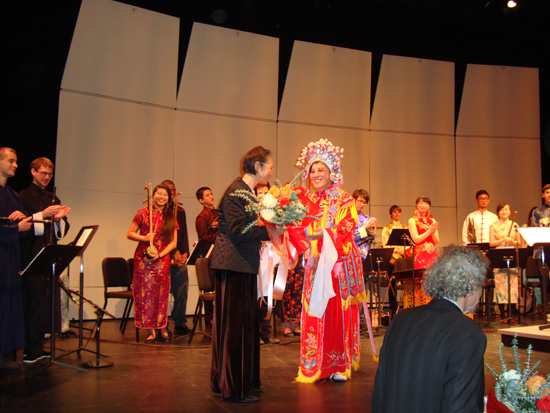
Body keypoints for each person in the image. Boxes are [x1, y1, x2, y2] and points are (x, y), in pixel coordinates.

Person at [372, 245, 489, 413]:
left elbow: (379, 395)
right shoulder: (468, 333)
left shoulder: (401, 320)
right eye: (481, 285)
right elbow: (459, 407)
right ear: (471, 285)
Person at [289, 138, 366, 383]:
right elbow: (299, 230)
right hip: (315, 263)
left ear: (332, 172)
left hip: (338, 263)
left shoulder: (344, 199)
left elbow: (346, 227)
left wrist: (320, 233)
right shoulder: (308, 201)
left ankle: (339, 363)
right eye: (312, 170)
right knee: (315, 309)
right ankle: (315, 362)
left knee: (336, 313)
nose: (316, 174)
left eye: (321, 169)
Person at [210, 146, 273, 403]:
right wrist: (271, 232)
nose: (271, 172)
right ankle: (234, 387)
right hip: (233, 264)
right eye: (269, 167)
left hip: (241, 264)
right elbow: (238, 232)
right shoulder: (237, 192)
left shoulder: (245, 191)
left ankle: (243, 381)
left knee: (245, 325)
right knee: (236, 328)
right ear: (257, 167)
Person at [19, 157, 71, 364]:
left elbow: (60, 232)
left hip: (49, 255)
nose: (47, 177)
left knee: (45, 303)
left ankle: (39, 345)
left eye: (49, 174)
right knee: (33, 302)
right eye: (43, 173)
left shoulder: (53, 198)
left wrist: (58, 220)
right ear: (33, 172)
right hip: (31, 255)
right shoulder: (23, 196)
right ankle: (30, 348)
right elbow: (23, 227)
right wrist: (43, 214)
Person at [127, 183, 177, 344]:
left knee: (161, 295)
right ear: (153, 195)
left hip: (161, 261)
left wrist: (160, 256)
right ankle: (150, 330)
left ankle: (162, 328)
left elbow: (173, 242)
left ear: (169, 199)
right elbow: (130, 233)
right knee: (146, 295)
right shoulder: (142, 213)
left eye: (165, 195)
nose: (162, 197)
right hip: (143, 260)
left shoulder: (170, 216)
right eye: (159, 193)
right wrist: (144, 238)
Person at [0, 148, 32, 370]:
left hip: (10, 260)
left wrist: (22, 222)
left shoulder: (13, 196)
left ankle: (4, 354)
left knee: (7, 307)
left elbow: (24, 229)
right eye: (11, 161)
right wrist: (14, 228)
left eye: (16, 161)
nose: (15, 165)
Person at [161, 180, 191, 337]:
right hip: (165, 256)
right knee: (163, 293)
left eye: (173, 190)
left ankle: (179, 323)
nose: (171, 193)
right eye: (168, 190)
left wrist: (185, 252)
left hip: (180, 257)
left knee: (182, 291)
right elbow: (163, 235)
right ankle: (161, 325)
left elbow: (183, 233)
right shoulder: (160, 212)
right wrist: (174, 253)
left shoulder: (180, 211)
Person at [255, 182, 280, 346]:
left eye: (265, 193)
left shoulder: (275, 211)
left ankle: (266, 333)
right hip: (256, 255)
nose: (262, 196)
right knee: (255, 294)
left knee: (268, 294)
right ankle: (254, 333)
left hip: (271, 254)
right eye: (259, 193)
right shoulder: (250, 212)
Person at [407, 196, 439, 307]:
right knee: (421, 281)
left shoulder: (432, 221)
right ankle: (421, 308)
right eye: (420, 203)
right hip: (420, 254)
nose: (423, 205)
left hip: (432, 254)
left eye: (425, 203)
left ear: (429, 206)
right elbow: (416, 239)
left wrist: (433, 231)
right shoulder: (412, 220)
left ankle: (434, 308)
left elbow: (436, 240)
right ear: (416, 205)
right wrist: (430, 230)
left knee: (433, 280)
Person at [489, 202, 520, 316]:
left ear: (510, 212)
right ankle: (502, 312)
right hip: (499, 255)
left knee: (512, 284)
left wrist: (511, 241)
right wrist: (502, 240)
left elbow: (519, 242)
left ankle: (512, 311)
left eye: (506, 210)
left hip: (511, 255)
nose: (504, 212)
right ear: (498, 212)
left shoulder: (514, 225)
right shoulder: (493, 225)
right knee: (500, 285)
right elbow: (491, 243)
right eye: (502, 210)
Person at [194, 186, 217, 326]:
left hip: (221, 254)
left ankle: (219, 316)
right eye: (207, 195)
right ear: (201, 200)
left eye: (211, 194)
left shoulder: (218, 213)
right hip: (210, 255)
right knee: (209, 288)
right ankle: (209, 318)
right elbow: (203, 238)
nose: (211, 197)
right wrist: (217, 231)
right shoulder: (202, 217)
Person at [381, 205, 409, 316]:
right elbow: (385, 244)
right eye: (394, 212)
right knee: (392, 285)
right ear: (391, 214)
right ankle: (393, 308)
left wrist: (404, 251)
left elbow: (409, 243)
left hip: (404, 259)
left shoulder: (405, 227)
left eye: (399, 212)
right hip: (392, 260)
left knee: (406, 283)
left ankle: (407, 306)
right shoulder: (386, 228)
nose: (397, 214)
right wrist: (396, 252)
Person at [352, 188, 376, 261]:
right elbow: (350, 236)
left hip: (365, 254)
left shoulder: (366, 218)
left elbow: (371, 240)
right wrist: (365, 227)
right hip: (352, 253)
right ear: (354, 200)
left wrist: (371, 228)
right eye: (360, 201)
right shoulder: (348, 216)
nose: (362, 204)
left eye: (364, 202)